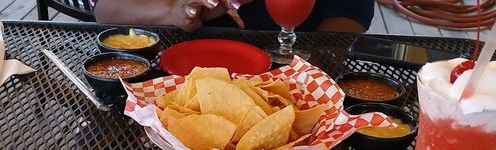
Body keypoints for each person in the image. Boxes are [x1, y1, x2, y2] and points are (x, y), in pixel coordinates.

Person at [91, 0, 375, 32]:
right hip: (169, 78)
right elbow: (105, 9)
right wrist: (174, 11)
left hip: (293, 82)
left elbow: (349, 19)